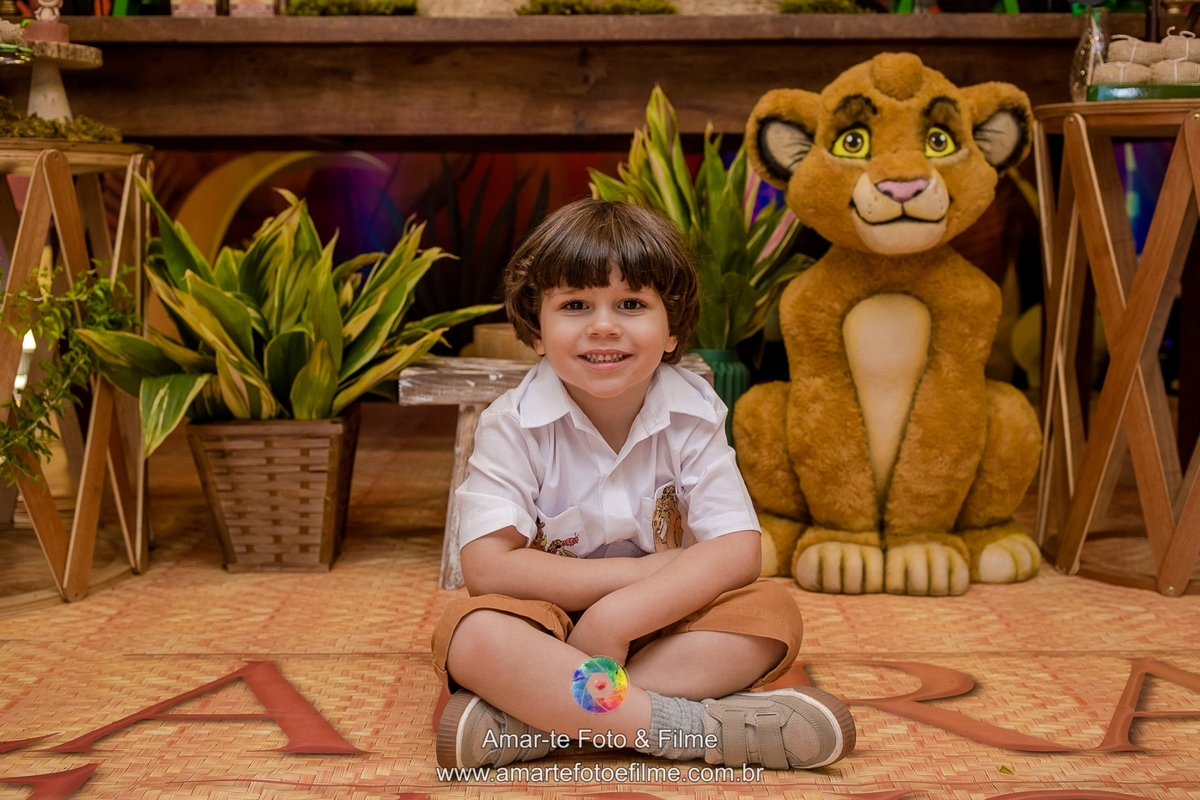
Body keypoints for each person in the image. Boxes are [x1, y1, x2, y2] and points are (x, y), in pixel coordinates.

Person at [430, 198, 855, 773]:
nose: (603, 325)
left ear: (673, 327)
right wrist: (634, 577)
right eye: (576, 304)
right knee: (472, 634)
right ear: (536, 329)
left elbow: (737, 549)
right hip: (546, 627)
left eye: (631, 304)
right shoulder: (512, 422)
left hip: (660, 625)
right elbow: (488, 567)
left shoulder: (693, 413)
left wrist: (623, 615)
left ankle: (535, 722)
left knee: (770, 618)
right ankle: (690, 729)